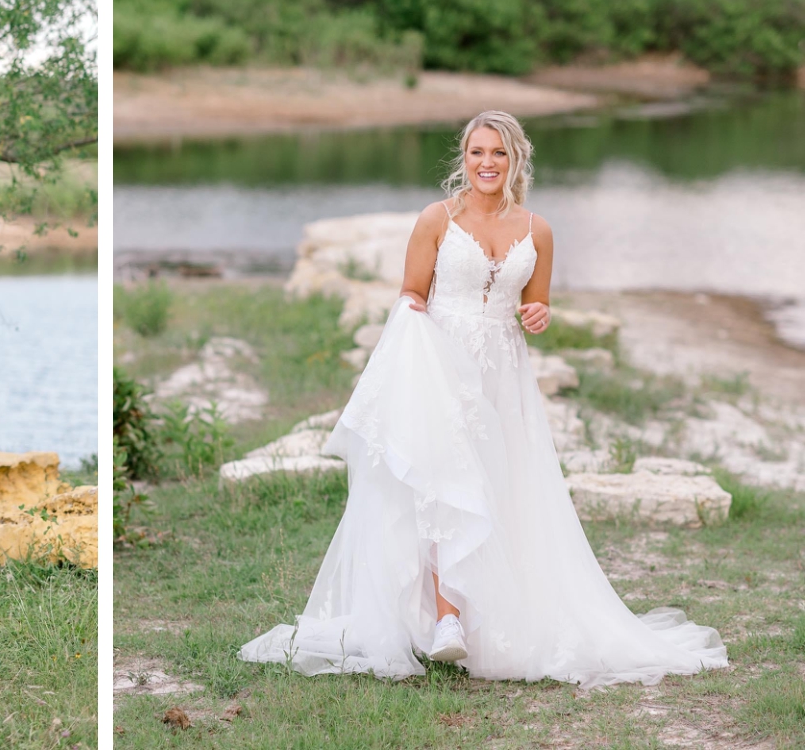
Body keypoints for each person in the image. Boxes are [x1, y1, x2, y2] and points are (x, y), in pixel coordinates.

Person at [239, 111, 728, 688]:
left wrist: (539, 314)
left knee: (500, 487)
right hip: (442, 368)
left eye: (498, 152)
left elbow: (534, 307)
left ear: (516, 158)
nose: (487, 163)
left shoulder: (538, 230)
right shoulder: (436, 220)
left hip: (504, 376)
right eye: (477, 153)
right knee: (449, 483)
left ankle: (490, 614)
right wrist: (417, 361)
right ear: (463, 159)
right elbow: (411, 296)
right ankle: (446, 619)